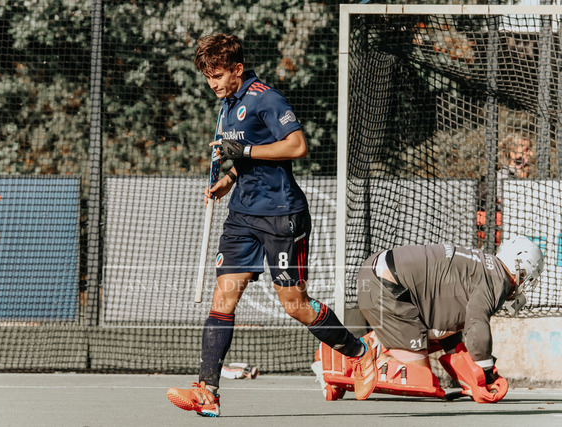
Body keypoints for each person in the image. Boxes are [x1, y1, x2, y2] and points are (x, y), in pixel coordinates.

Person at [166, 33, 377, 417]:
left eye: (217, 75)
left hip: (282, 216)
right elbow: (246, 159)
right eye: (207, 77)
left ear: (237, 69)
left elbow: (296, 146)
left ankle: (360, 352)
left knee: (295, 305)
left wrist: (243, 151)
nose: (212, 83)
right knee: (223, 298)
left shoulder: (267, 99)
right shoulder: (227, 105)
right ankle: (207, 391)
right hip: (242, 215)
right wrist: (229, 179)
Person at [356, 235, 544, 402]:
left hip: (378, 277)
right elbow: (477, 323)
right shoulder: (497, 280)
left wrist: (472, 377)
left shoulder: (484, 267)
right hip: (384, 287)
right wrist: (487, 372)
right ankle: (365, 352)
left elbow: (446, 321)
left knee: (438, 333)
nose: (523, 284)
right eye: (526, 278)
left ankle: (367, 346)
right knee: (421, 379)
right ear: (520, 270)